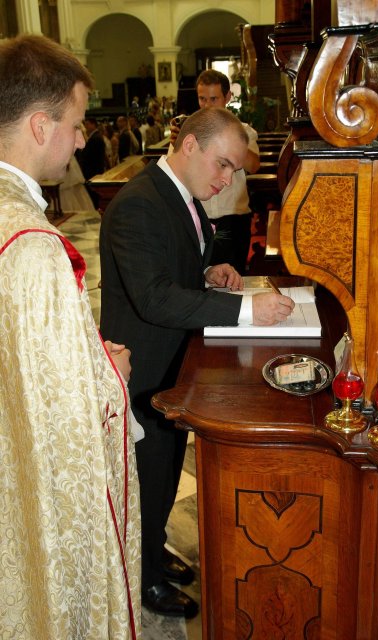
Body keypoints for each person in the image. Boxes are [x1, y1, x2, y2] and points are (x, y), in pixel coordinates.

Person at [99, 107, 294, 619]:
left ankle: (154, 548)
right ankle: (142, 578)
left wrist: (207, 273)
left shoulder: (179, 193)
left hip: (171, 362)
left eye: (234, 169)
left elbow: (173, 264)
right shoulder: (138, 203)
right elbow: (153, 297)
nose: (227, 179)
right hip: (141, 364)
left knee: (165, 472)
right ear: (190, 146)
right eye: (222, 164)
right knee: (146, 479)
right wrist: (247, 310)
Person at [0, 34, 142, 639]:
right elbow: (63, 421)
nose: (83, 139)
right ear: (40, 125)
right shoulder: (33, 244)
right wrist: (112, 374)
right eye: (77, 123)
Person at [170, 69, 260, 274]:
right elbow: (175, 174)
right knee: (197, 277)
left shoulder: (243, 130)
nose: (207, 106)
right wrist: (178, 145)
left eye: (213, 99)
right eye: (202, 99)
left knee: (235, 278)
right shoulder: (188, 133)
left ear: (227, 97)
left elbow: (254, 165)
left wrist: (228, 138)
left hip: (233, 217)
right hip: (197, 217)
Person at [77, 116, 107, 208]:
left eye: (87, 124)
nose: (86, 126)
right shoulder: (95, 136)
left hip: (93, 170)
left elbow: (90, 156)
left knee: (94, 194)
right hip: (94, 169)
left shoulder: (95, 138)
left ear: (93, 124)